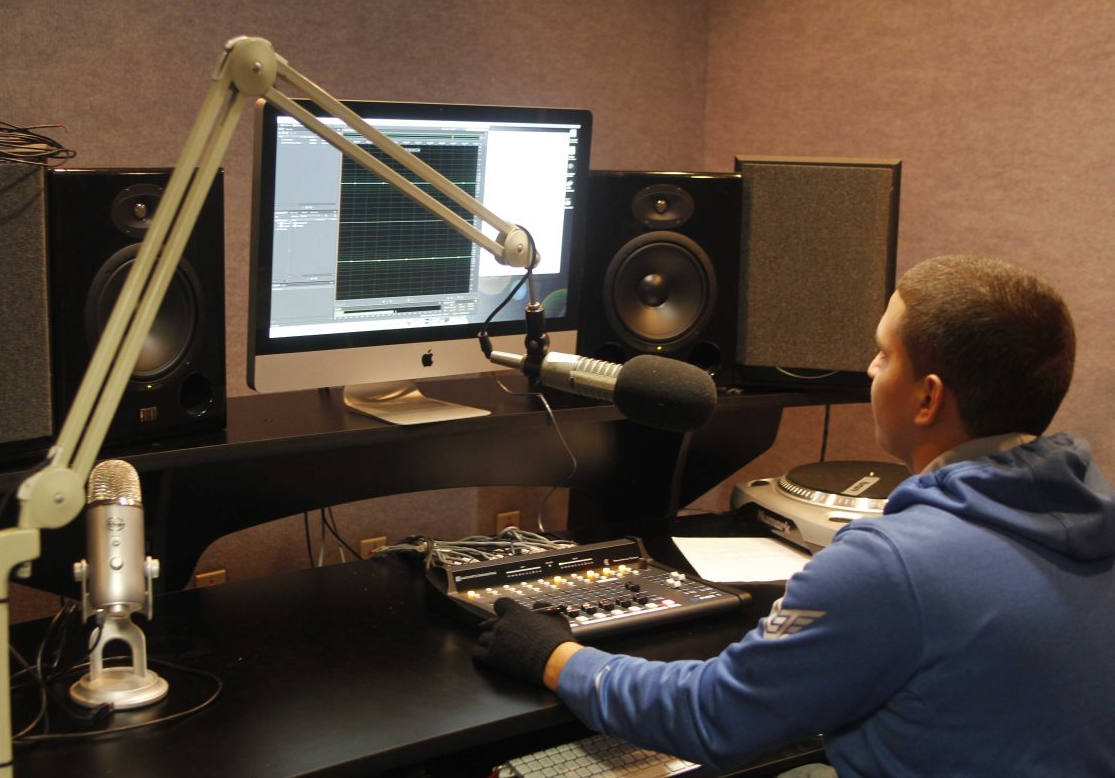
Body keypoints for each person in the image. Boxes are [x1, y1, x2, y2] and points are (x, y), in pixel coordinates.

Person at [473, 255, 1115, 776]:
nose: (869, 368)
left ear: (927, 399)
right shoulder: (1095, 521)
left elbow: (713, 718)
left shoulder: (891, 565)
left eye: (884, 354)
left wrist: (555, 657)